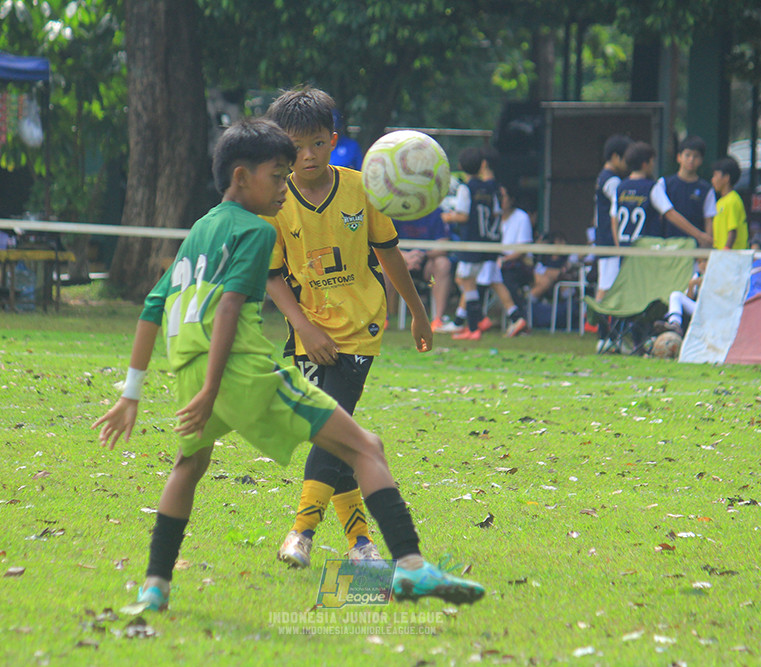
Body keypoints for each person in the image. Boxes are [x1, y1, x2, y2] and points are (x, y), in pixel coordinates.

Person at [92, 118, 484, 611]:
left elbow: (153, 306)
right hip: (238, 374)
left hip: (187, 371)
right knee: (367, 446)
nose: (286, 185)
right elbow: (232, 309)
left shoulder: (201, 229)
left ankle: (154, 587)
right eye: (277, 176)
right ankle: (409, 568)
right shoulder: (257, 231)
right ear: (241, 178)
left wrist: (132, 393)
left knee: (188, 467)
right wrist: (217, 386)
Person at [261, 87, 433, 569]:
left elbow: (390, 255)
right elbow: (272, 277)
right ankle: (360, 543)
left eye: (318, 143)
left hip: (360, 329)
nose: (308, 155)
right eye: (296, 147)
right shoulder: (274, 201)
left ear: (333, 140)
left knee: (328, 425)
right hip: (307, 334)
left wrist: (417, 312)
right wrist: (304, 329)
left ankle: (301, 532)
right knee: (334, 437)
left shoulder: (363, 188)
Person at [441, 146, 501, 341]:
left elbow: (463, 216)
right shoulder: (490, 188)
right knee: (466, 281)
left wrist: (447, 217)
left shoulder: (465, 189)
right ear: (482, 165)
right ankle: (473, 323)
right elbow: (496, 212)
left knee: (466, 282)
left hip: (470, 243)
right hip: (485, 242)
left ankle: (475, 326)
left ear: (460, 166)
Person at [592, 135, 630, 350]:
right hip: (609, 242)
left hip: (607, 243)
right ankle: (603, 337)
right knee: (606, 289)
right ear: (615, 157)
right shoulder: (612, 181)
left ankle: (610, 337)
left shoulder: (604, 177)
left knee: (608, 287)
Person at [388, 208, 454, 330]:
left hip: (427, 263)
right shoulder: (394, 210)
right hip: (400, 261)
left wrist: (422, 255)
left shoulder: (436, 213)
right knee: (383, 264)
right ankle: (381, 318)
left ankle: (438, 320)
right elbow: (383, 244)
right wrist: (406, 257)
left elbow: (444, 245)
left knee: (443, 263)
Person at [654, 135, 716, 243]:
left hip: (693, 248)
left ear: (701, 160)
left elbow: (708, 220)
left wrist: (705, 248)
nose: (691, 160)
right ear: (679, 157)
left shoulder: (707, 189)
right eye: (687, 155)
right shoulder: (664, 183)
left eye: (696, 156)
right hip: (667, 246)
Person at [494, 185, 533, 337]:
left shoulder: (521, 217)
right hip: (495, 262)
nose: (500, 201)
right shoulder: (493, 217)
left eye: (502, 197)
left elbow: (522, 250)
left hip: (517, 265)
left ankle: (518, 320)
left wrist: (503, 260)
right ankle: (477, 321)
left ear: (511, 199)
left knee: (507, 277)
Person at [654, 256, 707, 337]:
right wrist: (692, 285)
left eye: (703, 261)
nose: (701, 265)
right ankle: (675, 324)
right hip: (698, 309)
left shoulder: (715, 275)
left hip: (711, 311)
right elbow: (689, 299)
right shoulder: (697, 276)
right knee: (676, 295)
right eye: (699, 263)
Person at [710, 157, 748, 250]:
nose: (712, 180)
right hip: (720, 253)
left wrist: (727, 248)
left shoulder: (732, 200)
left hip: (731, 255)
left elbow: (732, 230)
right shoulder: (720, 202)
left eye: (715, 175)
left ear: (726, 178)